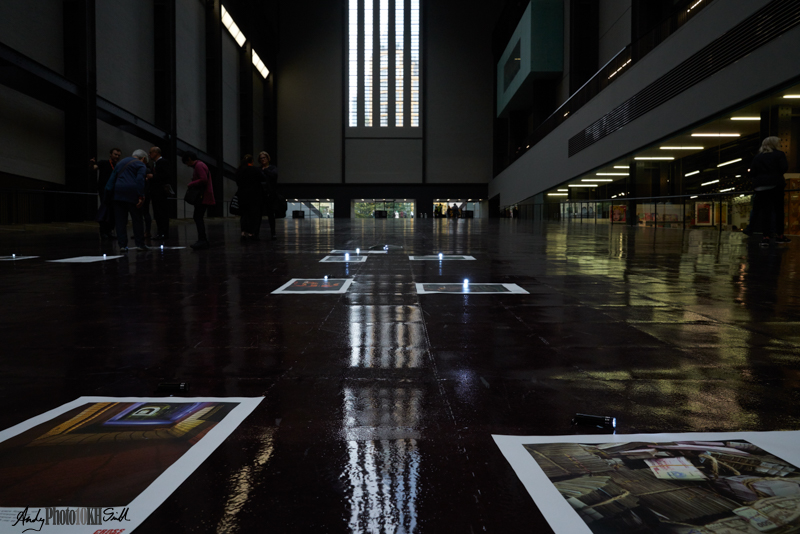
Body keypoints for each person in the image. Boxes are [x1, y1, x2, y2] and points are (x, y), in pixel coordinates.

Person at [750, 136, 790, 247]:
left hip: (761, 188)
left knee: (765, 212)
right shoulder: (779, 154)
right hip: (776, 186)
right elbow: (784, 168)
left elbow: (752, 172)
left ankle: (765, 237)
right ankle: (780, 236)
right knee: (778, 211)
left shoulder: (758, 157)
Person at [108, 149, 148, 251]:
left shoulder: (121, 162)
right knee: (137, 219)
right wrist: (141, 196)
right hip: (132, 193)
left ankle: (122, 245)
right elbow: (140, 180)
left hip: (118, 193)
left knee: (120, 221)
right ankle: (140, 244)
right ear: (143, 158)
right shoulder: (141, 165)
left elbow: (112, 178)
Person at [182, 151, 215, 249]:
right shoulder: (200, 165)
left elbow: (203, 179)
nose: (187, 165)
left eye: (186, 162)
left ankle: (202, 240)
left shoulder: (198, 166)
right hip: (204, 195)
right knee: (198, 217)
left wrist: (191, 183)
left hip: (202, 196)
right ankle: (202, 239)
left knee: (198, 217)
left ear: (189, 159)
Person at [90, 147, 121, 239]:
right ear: (110, 154)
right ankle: (103, 231)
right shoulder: (104, 163)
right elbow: (94, 168)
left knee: (112, 211)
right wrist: (92, 163)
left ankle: (109, 231)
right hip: (104, 190)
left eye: (118, 155)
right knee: (105, 210)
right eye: (115, 154)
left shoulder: (118, 166)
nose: (117, 156)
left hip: (114, 192)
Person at [235, 154, 265, 240]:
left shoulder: (239, 170)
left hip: (242, 195)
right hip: (254, 196)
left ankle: (243, 232)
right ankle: (251, 233)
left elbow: (238, 182)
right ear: (252, 161)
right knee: (253, 215)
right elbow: (263, 178)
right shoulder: (255, 170)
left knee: (244, 214)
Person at [149, 146, 172, 240]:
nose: (149, 154)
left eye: (151, 152)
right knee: (158, 213)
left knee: (161, 212)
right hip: (156, 192)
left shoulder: (163, 163)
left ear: (156, 153)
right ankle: (161, 232)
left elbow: (165, 176)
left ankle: (163, 232)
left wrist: (153, 176)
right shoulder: (156, 163)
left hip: (160, 192)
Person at [258, 151, 278, 240]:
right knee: (258, 215)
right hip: (261, 194)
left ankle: (273, 233)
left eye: (264, 158)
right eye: (261, 158)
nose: (263, 160)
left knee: (271, 215)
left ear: (267, 158)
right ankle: (256, 233)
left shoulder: (272, 168)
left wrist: (265, 170)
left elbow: (274, 176)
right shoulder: (258, 169)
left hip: (270, 194)